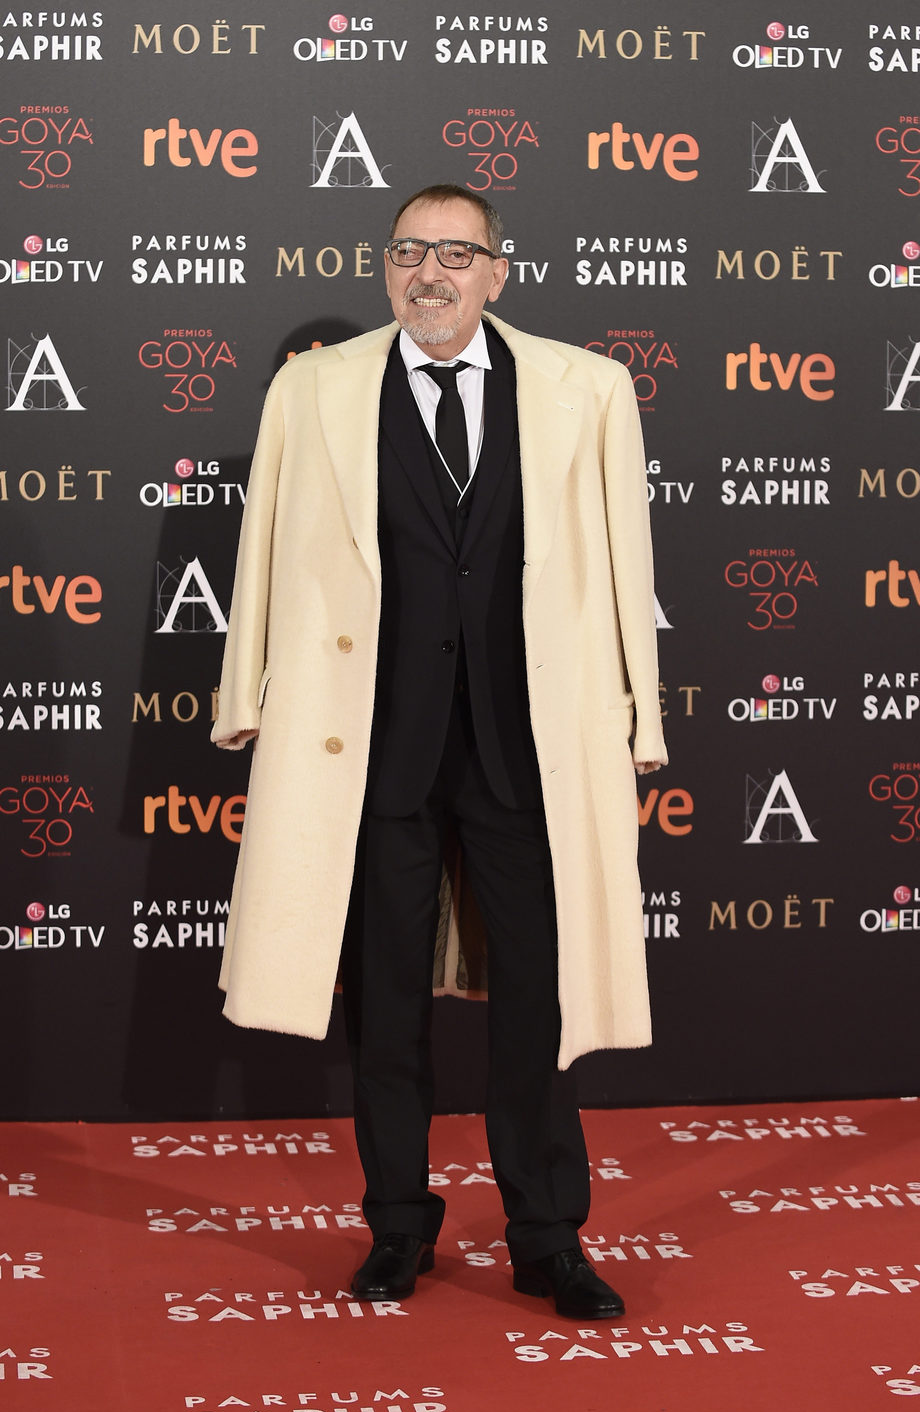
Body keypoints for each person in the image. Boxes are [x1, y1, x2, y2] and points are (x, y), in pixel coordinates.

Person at [211, 183, 667, 1320]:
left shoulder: (587, 389)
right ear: (386, 267)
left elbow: (624, 567)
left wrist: (636, 716)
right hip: (368, 748)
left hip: (530, 749)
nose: (432, 273)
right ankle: (398, 1225)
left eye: (457, 254)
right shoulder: (311, 389)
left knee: (536, 1002)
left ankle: (548, 1235)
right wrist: (243, 693)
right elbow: (263, 539)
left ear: (496, 272)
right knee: (385, 1002)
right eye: (411, 251)